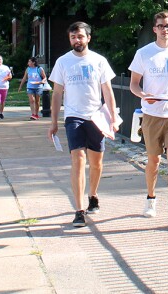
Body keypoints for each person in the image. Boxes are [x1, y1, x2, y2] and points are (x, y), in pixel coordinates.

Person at [48, 22, 118, 227]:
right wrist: (53, 122)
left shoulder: (99, 61)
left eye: (80, 36)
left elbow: (108, 92)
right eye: (73, 37)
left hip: (96, 117)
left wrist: (113, 118)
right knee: (78, 159)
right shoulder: (63, 62)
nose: (76, 40)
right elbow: (57, 93)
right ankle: (79, 211)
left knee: (95, 162)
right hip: (73, 117)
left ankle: (93, 195)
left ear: (88, 38)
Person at [129, 10, 168, 231]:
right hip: (152, 114)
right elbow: (134, 84)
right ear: (154, 29)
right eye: (161, 25)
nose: (165, 29)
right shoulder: (144, 54)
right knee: (154, 160)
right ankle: (150, 197)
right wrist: (143, 95)